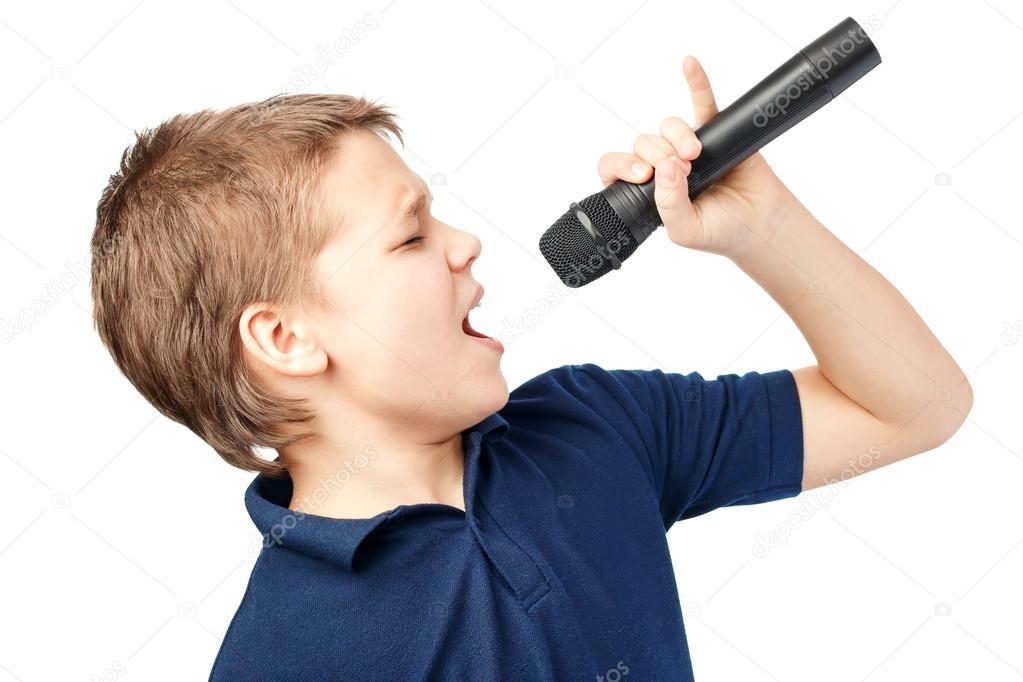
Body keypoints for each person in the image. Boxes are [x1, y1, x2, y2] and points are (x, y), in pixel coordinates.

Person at [89, 55, 972, 681]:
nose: (465, 243)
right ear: (286, 340)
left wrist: (768, 230)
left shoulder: (593, 426)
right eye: (410, 234)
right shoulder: (287, 654)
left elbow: (914, 407)